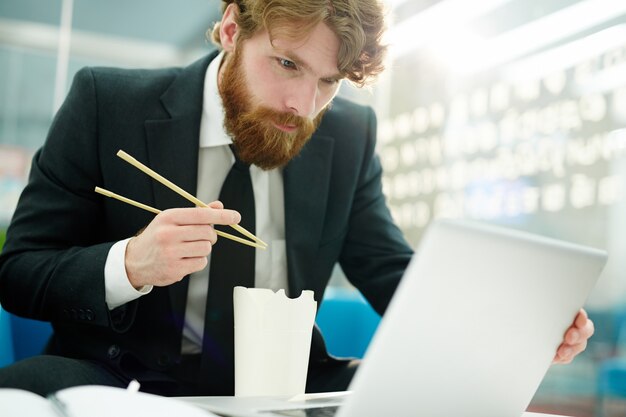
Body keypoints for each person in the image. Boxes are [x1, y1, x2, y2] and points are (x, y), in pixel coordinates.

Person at [0, 0, 592, 397]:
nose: (303, 105)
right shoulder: (109, 105)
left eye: (329, 82)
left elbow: (390, 270)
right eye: (287, 64)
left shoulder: (348, 136)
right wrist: (128, 264)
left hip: (288, 386)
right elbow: (19, 269)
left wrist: (513, 328)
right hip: (119, 374)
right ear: (232, 29)